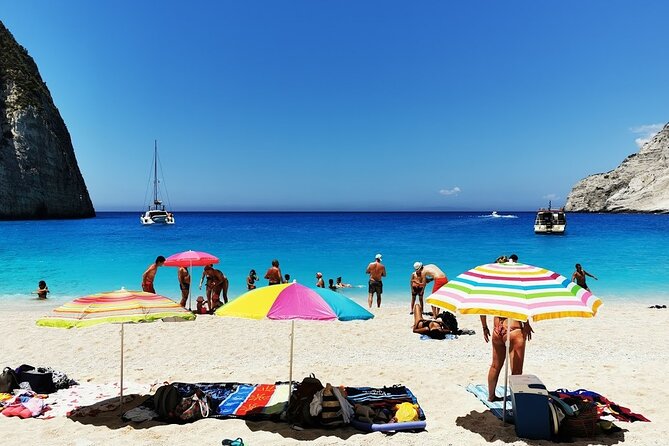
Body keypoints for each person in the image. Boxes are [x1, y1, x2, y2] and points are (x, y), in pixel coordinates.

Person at [480, 314, 533, 402]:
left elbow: (482, 310)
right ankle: (516, 401)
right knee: (516, 371)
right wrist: (526, 324)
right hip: (513, 329)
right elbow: (521, 308)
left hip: (497, 329)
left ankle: (491, 396)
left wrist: (484, 327)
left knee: (495, 366)